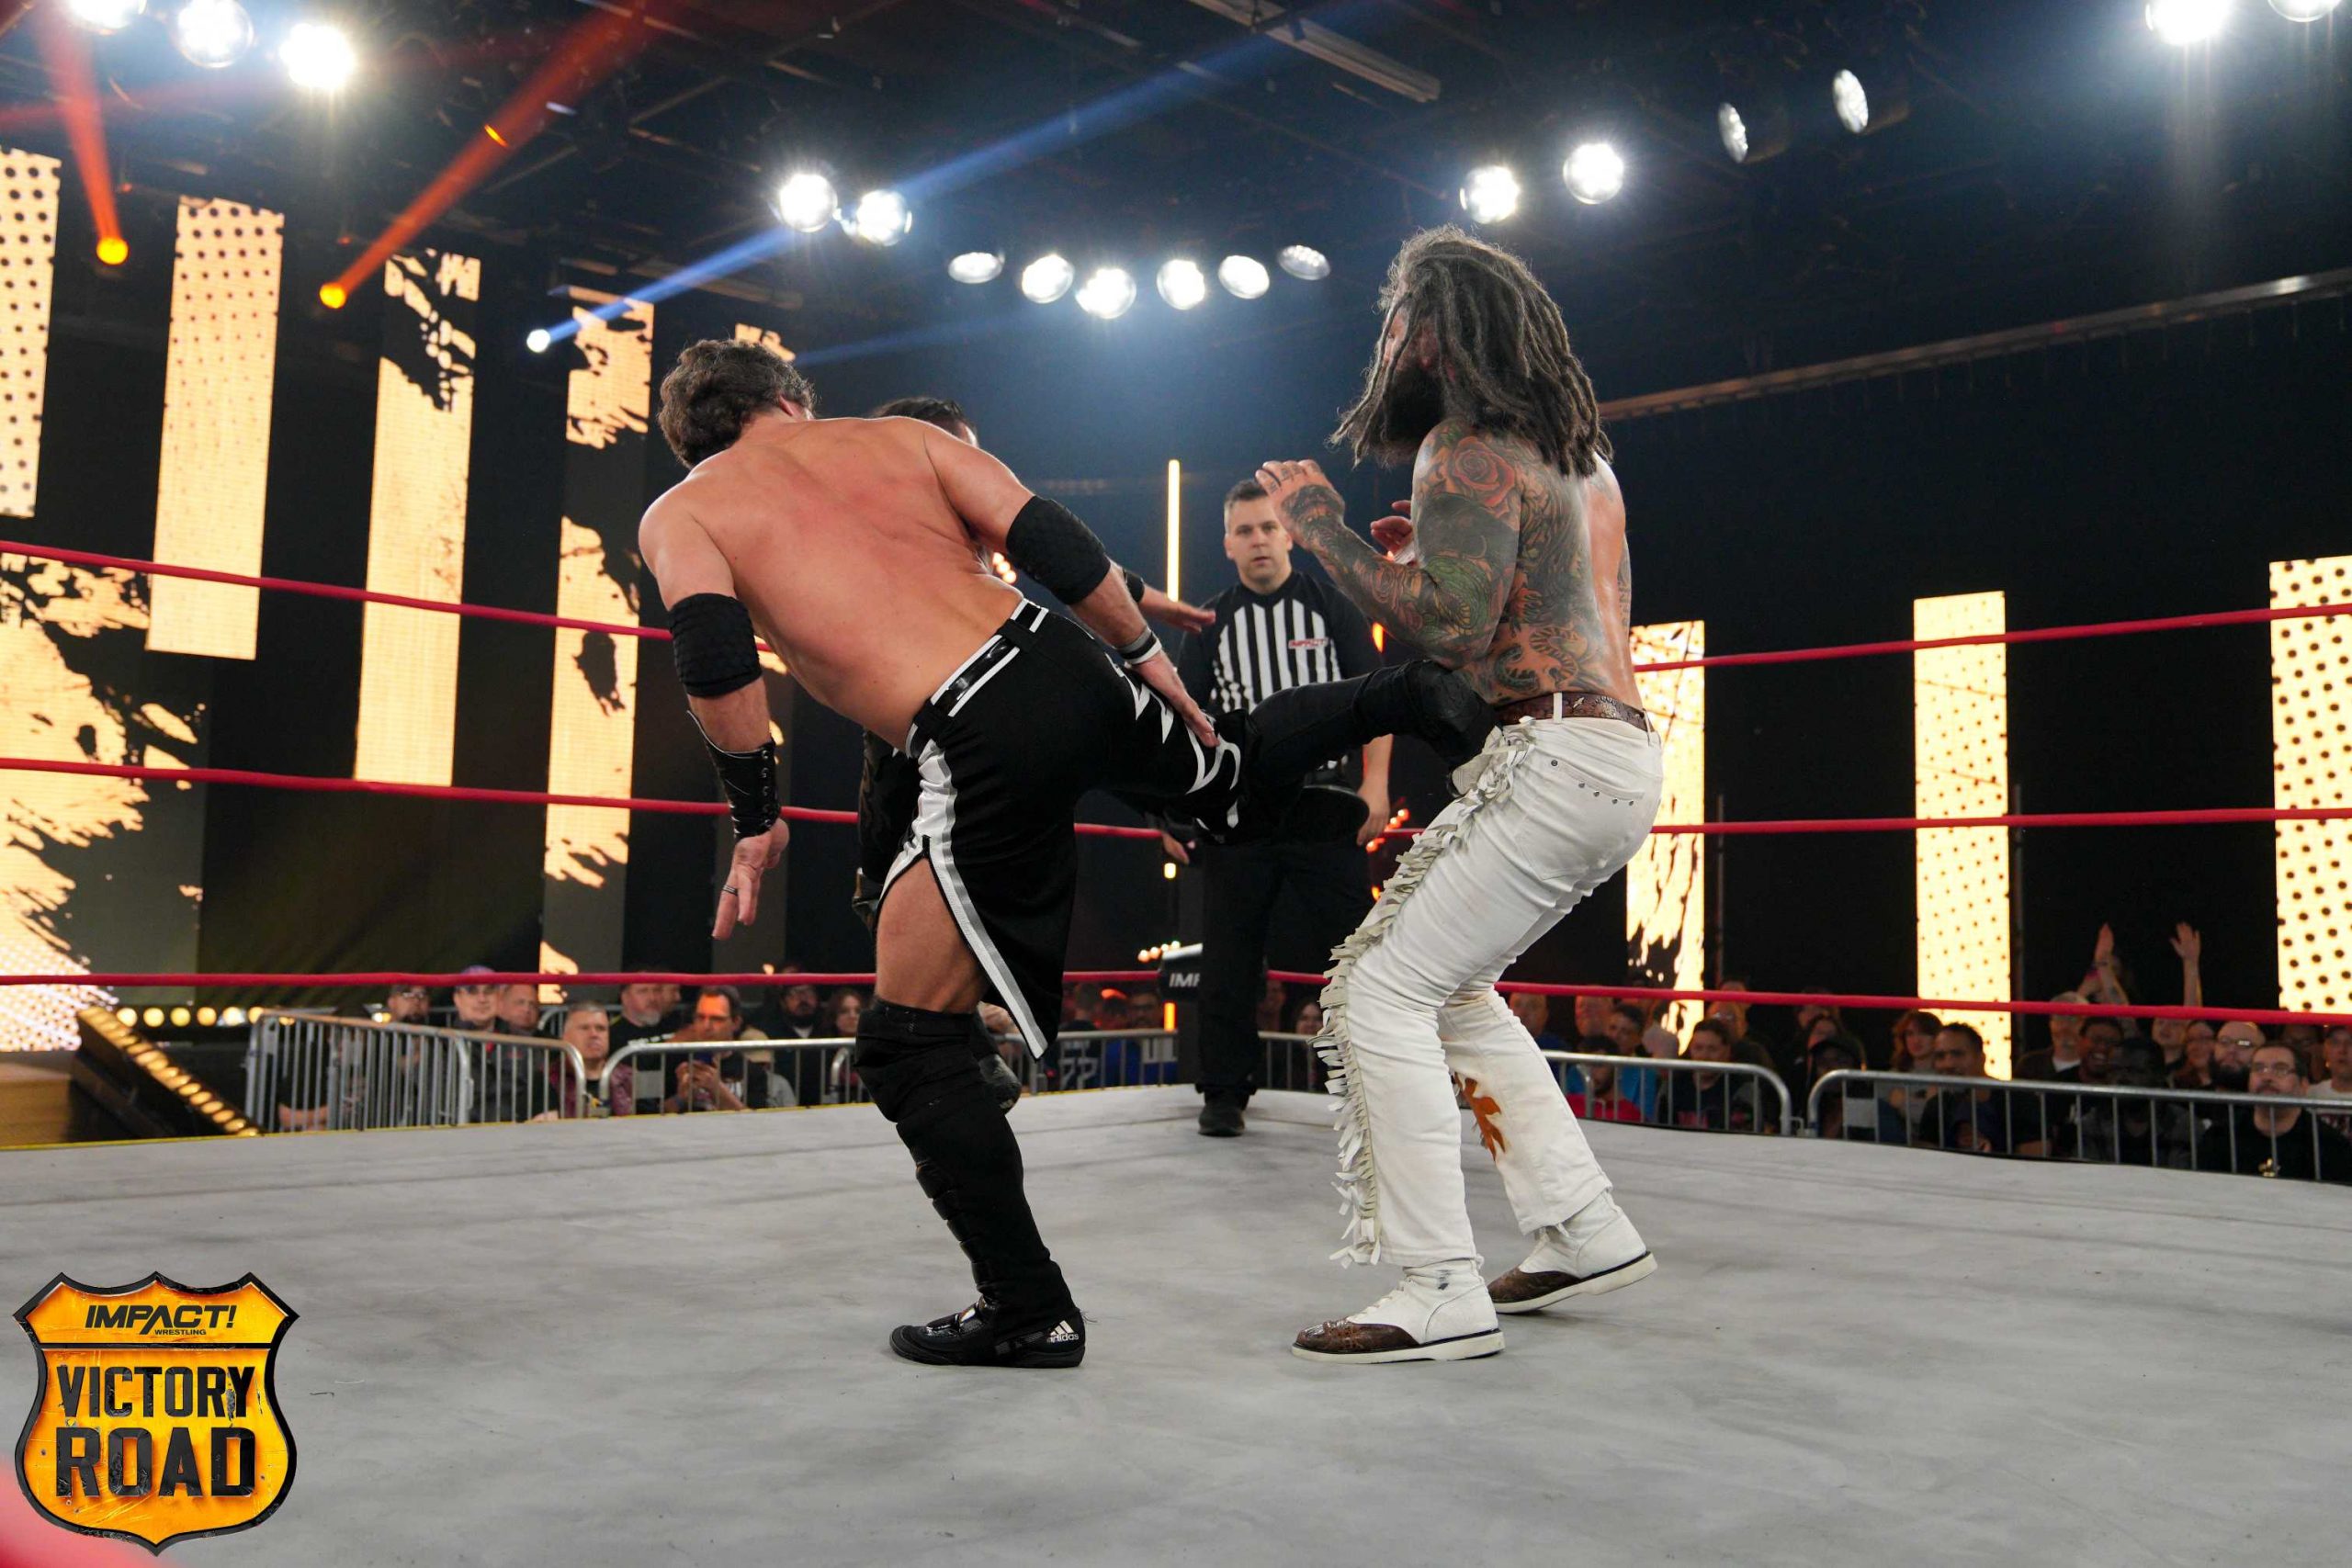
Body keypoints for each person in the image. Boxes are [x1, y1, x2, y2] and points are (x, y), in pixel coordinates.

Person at [640, 339, 1484, 1369]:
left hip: (970, 728)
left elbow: (716, 659)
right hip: (1060, 658)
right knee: (1226, 781)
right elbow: (1049, 538)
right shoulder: (901, 440)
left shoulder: (685, 511)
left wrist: (756, 813)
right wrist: (1146, 660)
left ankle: (1026, 1305)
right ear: (788, 400)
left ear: (695, 443)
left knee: (905, 1046)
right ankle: (1411, 691)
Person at [1257, 225, 1662, 1363]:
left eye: (1394, 318)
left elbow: (1448, 629)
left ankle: (1435, 1283)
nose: (1384, 341)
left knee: (1375, 990)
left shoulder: (1464, 446)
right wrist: (1418, 560)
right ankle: (1581, 1225)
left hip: (1552, 756)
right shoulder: (1580, 456)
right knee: (1447, 986)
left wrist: (1323, 529)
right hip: (1614, 754)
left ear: (1430, 330)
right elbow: (1537, 606)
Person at [1170, 477, 1393, 1137]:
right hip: (1242, 809)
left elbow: (1376, 697)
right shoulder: (1209, 624)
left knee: (1356, 950)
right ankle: (1224, 1090)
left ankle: (1379, 1086)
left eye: (1268, 527)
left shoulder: (1331, 606)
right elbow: (1183, 724)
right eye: (1245, 530)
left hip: (1324, 800)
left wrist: (1376, 785)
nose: (1259, 540)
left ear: (1288, 534)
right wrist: (1175, 814)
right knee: (1228, 956)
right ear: (1227, 543)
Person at [2191, 1042, 2352, 1183]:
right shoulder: (2221, 1135)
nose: (2267, 1076)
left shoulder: (2329, 1145)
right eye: (2258, 1069)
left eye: (2280, 1069)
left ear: (2304, 1085)